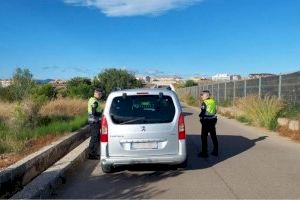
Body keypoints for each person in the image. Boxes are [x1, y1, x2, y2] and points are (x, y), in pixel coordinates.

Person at [198, 90, 219, 158]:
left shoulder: (204, 103)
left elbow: (203, 112)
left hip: (206, 121)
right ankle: (215, 151)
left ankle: (204, 153)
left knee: (204, 137)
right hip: (213, 120)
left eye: (202, 95)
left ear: (206, 95)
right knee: (213, 136)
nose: (201, 96)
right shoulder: (213, 101)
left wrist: (200, 116)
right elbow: (215, 110)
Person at [87, 88, 103, 159]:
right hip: (94, 122)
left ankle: (94, 153)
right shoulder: (94, 101)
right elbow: (94, 113)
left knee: (96, 137)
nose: (101, 95)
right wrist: (101, 113)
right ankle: (92, 154)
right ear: (97, 93)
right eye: (100, 94)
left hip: (94, 122)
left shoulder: (92, 100)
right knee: (95, 138)